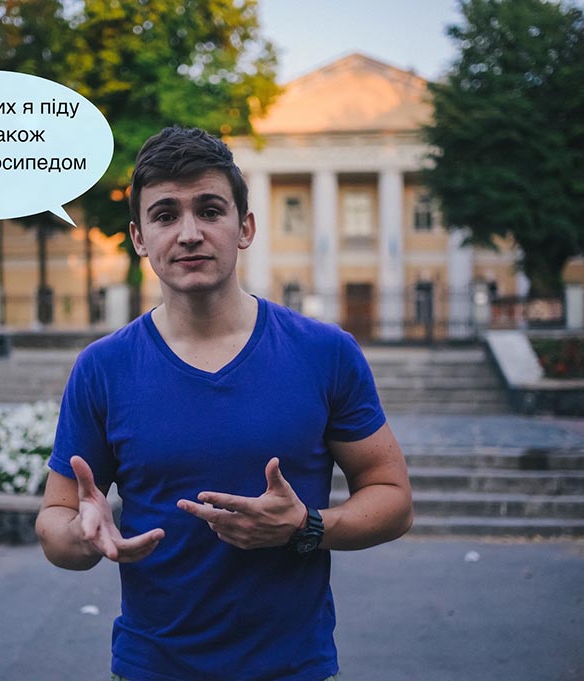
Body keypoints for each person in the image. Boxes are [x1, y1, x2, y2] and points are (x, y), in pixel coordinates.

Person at [35, 127, 413, 681]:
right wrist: (83, 533)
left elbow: (394, 500)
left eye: (210, 211)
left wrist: (306, 526)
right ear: (140, 237)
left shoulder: (324, 352)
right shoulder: (103, 367)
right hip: (150, 669)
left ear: (245, 227)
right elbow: (55, 522)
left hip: (294, 670)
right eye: (165, 215)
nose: (189, 234)